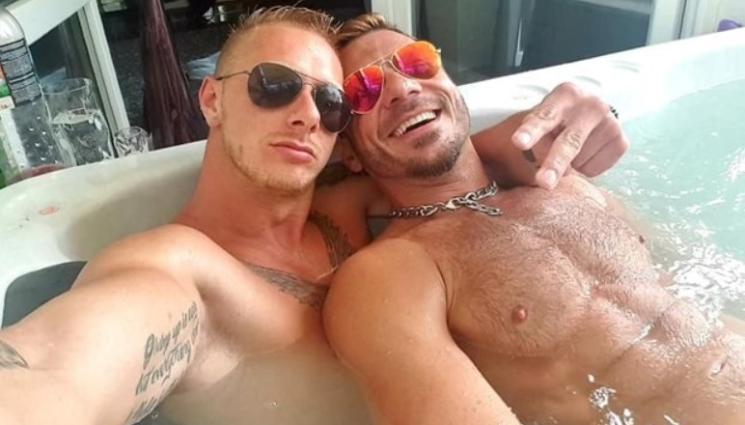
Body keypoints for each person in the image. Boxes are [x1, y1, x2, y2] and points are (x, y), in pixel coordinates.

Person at [0, 7, 628, 425]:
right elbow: (60, 370)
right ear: (212, 99)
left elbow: (443, 160)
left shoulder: (353, 203)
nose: (305, 115)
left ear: (343, 141)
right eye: (274, 86)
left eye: (331, 102)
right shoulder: (178, 270)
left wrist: (555, 127)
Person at [324, 13, 745, 425]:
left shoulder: (562, 178)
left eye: (416, 62)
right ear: (348, 152)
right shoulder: (391, 273)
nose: (403, 88)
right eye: (365, 90)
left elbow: (683, 287)